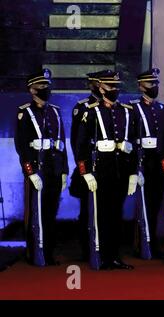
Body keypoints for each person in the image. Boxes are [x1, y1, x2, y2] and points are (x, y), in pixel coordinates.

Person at [76, 70, 137, 270]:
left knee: (116, 215)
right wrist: (85, 173)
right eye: (111, 87)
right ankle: (99, 255)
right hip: (100, 171)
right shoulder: (91, 112)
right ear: (101, 88)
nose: (115, 91)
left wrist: (134, 173)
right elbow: (81, 145)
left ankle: (114, 256)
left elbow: (134, 144)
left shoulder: (126, 111)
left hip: (120, 171)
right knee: (99, 216)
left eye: (117, 87)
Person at [14, 69, 69, 266]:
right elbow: (21, 145)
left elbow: (61, 144)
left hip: (54, 169)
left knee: (50, 213)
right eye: (41, 86)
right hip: (37, 169)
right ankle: (34, 253)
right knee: (35, 213)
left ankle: (48, 252)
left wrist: (64, 171)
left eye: (47, 86)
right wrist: (30, 172)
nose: (45, 89)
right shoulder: (25, 113)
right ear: (32, 89)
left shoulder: (55, 111)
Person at [129, 68, 164, 260]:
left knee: (157, 203)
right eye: (150, 84)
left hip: (161, 163)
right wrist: (134, 168)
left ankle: (156, 242)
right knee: (144, 204)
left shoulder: (163, 110)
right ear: (141, 86)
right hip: (143, 162)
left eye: (156, 84)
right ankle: (142, 243)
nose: (154, 87)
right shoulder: (133, 109)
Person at [69, 71, 103, 261]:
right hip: (89, 165)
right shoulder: (83, 108)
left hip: (106, 165)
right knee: (87, 210)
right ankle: (86, 247)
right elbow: (77, 141)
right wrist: (84, 169)